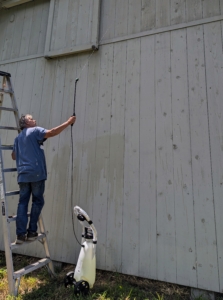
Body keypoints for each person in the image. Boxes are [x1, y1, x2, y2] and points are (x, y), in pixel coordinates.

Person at [11, 114, 76, 244]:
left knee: (22, 203)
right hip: (36, 173)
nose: (34, 120)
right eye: (31, 119)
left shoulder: (18, 138)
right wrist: (68, 122)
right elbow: (52, 133)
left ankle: (20, 235)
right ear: (26, 123)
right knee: (37, 201)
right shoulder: (35, 131)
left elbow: (13, 156)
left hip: (23, 175)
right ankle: (32, 232)